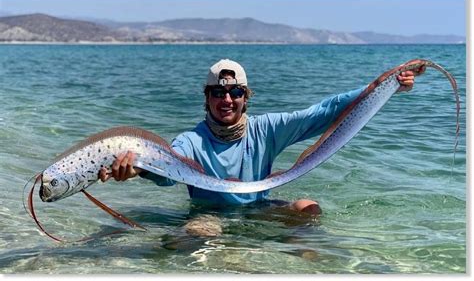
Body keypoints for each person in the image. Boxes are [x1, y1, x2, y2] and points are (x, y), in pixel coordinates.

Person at [99, 59, 424, 219]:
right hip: (209, 216)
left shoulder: (266, 128)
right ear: (207, 98)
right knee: (200, 234)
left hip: (257, 209)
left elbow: (325, 112)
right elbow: (167, 165)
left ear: (246, 96)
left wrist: (383, 85)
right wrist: (136, 167)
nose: (227, 99)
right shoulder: (192, 141)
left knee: (308, 209)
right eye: (218, 92)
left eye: (235, 92)